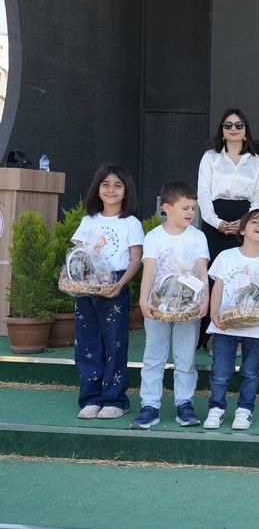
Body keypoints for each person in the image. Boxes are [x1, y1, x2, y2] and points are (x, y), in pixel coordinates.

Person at [131, 182, 210, 430]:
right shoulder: (154, 236)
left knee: (186, 356)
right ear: (167, 207)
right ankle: (150, 405)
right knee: (154, 355)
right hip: (158, 307)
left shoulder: (198, 236)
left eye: (193, 208)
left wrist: (205, 298)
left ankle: (184, 403)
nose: (190, 213)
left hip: (188, 308)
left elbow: (201, 269)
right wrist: (144, 299)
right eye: (185, 208)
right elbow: (151, 268)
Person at [72, 164, 145, 420]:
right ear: (97, 189)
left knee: (114, 342)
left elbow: (136, 260)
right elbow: (77, 256)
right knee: (87, 342)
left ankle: (115, 399)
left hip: (115, 284)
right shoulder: (88, 220)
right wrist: (66, 276)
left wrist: (121, 283)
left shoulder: (131, 223)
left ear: (126, 191)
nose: (111, 190)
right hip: (85, 285)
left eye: (118, 185)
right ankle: (90, 397)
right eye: (105, 184)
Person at [203, 209, 259, 431]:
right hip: (225, 326)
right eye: (254, 222)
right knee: (220, 371)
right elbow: (217, 287)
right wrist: (214, 313)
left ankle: (245, 409)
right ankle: (216, 408)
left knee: (250, 371)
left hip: (255, 329)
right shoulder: (227, 256)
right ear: (242, 229)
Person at [197, 109, 259, 350]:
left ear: (246, 131)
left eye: (238, 124)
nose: (233, 128)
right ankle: (210, 334)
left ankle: (239, 334)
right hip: (214, 223)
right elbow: (203, 194)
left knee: (241, 278)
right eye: (228, 125)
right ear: (222, 130)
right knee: (213, 277)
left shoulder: (257, 161)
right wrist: (216, 222)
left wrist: (246, 222)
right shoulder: (210, 157)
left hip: (244, 223)